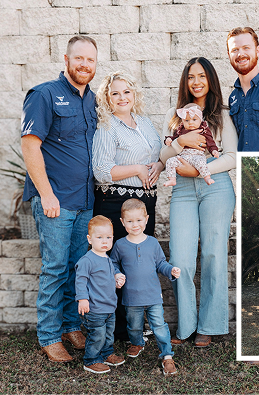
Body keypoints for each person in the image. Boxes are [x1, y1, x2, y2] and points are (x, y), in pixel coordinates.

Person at [21, 35, 98, 362]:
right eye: (78, 58)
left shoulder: (93, 100)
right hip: (56, 201)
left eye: (90, 60)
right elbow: (30, 145)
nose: (84, 64)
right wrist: (47, 194)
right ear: (66, 61)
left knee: (77, 267)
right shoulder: (44, 95)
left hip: (84, 201)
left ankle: (70, 325)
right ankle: (50, 335)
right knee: (55, 268)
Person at [160, 56, 237, 348]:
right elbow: (163, 155)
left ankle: (210, 325)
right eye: (191, 76)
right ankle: (186, 324)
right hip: (181, 190)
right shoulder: (174, 113)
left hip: (215, 187)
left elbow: (231, 156)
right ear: (185, 81)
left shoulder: (222, 113)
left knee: (214, 256)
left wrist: (197, 169)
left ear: (210, 79)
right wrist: (182, 142)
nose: (196, 82)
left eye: (202, 76)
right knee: (180, 258)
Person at [92, 71, 163, 341]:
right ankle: (117, 330)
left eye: (126, 92)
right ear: (107, 99)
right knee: (118, 266)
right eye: (115, 93)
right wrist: (136, 168)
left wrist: (158, 164)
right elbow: (101, 170)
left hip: (145, 204)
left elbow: (157, 155)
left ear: (134, 94)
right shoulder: (107, 126)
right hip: (115, 203)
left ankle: (134, 327)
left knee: (139, 265)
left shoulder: (144, 123)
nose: (122, 97)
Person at [110, 199, 181, 376]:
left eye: (139, 220)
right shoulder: (119, 245)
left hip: (153, 296)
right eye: (130, 221)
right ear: (122, 222)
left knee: (159, 326)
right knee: (134, 326)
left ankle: (167, 356)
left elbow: (161, 264)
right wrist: (116, 274)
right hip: (131, 297)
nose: (135, 225)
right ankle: (137, 343)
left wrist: (171, 270)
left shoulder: (152, 243)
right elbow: (112, 264)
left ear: (146, 219)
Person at [75, 216, 126, 374]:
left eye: (108, 237)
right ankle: (91, 360)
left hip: (109, 307)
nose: (105, 241)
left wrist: (117, 277)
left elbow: (110, 274)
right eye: (99, 237)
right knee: (97, 335)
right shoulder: (87, 260)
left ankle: (106, 353)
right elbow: (80, 280)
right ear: (90, 239)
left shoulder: (107, 259)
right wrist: (82, 299)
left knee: (108, 334)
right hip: (95, 308)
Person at [164, 103, 219, 187]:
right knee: (170, 161)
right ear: (182, 121)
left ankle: (207, 177)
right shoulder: (180, 129)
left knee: (201, 163)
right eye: (187, 120)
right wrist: (168, 139)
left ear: (200, 119)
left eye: (194, 120)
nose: (190, 123)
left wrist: (214, 150)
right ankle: (172, 179)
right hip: (183, 157)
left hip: (197, 155)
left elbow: (210, 141)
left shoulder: (203, 129)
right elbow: (174, 138)